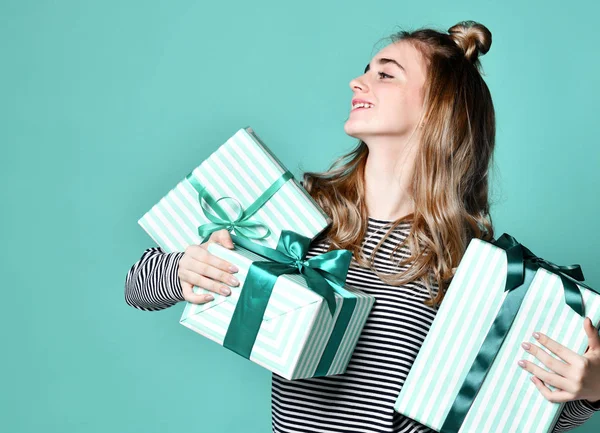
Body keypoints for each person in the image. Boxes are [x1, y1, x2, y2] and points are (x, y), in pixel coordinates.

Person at [125, 20, 600, 433]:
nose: (357, 81)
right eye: (366, 70)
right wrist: (183, 270)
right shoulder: (303, 215)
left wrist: (591, 389)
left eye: (384, 74)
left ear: (437, 106)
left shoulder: (476, 264)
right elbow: (136, 286)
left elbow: (518, 410)